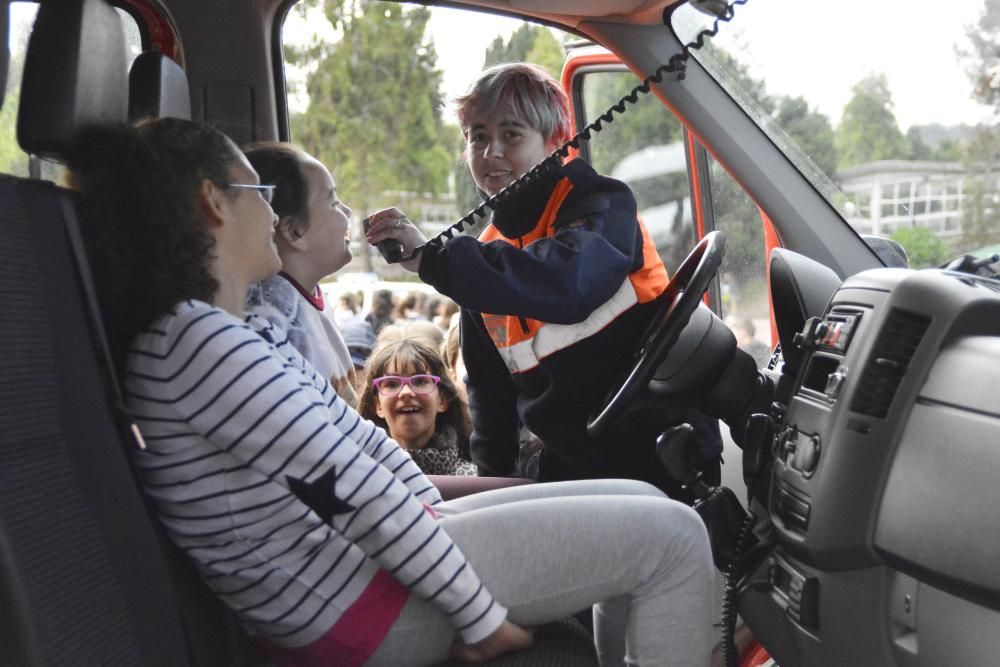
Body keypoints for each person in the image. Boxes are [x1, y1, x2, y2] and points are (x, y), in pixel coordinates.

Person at [68, 117, 713, 667]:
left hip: (357, 578)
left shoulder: (218, 334)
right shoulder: (199, 346)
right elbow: (352, 490)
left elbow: (356, 462)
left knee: (642, 497)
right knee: (677, 537)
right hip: (359, 605)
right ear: (215, 204)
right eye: (259, 191)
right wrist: (480, 619)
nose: (272, 211)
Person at [365, 63, 722, 499]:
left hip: (658, 454)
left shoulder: (602, 205)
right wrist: (493, 493)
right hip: (572, 473)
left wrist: (433, 259)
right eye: (478, 137)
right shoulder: (482, 266)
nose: (491, 151)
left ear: (557, 140)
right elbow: (491, 405)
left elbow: (569, 284)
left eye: (511, 134)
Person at [242, 142, 359, 406]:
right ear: (294, 231)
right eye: (333, 202)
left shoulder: (311, 297)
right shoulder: (273, 324)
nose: (347, 212)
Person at [358, 338, 476, 476]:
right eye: (391, 384)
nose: (406, 392)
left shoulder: (474, 481)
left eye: (420, 381)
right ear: (377, 405)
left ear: (442, 400)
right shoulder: (360, 480)